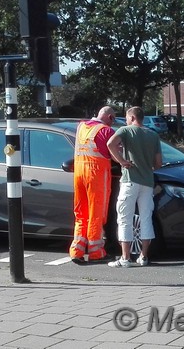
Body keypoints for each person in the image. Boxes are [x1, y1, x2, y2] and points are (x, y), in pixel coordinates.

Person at [106, 106, 162, 267]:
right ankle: (144, 256)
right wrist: (148, 167)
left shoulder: (126, 130)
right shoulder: (153, 135)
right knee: (145, 218)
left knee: (124, 218)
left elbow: (110, 144)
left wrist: (122, 161)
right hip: (147, 182)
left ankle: (125, 258)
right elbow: (158, 163)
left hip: (130, 180)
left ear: (131, 118)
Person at [69, 106, 117, 264]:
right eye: (114, 119)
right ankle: (96, 252)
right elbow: (116, 154)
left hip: (79, 174)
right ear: (110, 117)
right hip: (96, 176)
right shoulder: (107, 131)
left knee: (81, 213)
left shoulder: (81, 127)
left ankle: (77, 250)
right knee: (96, 214)